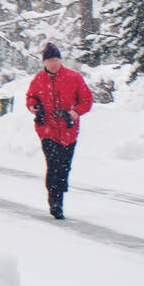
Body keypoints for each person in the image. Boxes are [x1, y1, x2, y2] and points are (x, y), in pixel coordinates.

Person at [25, 42, 93, 220]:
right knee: (53, 165)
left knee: (64, 167)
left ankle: (58, 192)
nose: (53, 64)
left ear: (60, 60)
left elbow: (87, 99)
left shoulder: (74, 77)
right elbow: (30, 98)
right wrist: (34, 107)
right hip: (47, 130)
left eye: (56, 60)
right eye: (49, 60)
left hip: (68, 130)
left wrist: (74, 112)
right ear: (44, 63)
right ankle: (55, 202)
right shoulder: (38, 80)